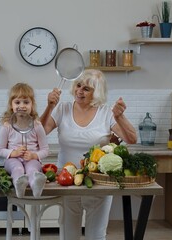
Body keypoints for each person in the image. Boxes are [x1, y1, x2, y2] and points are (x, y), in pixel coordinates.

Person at [40, 69, 137, 240]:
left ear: (96, 92)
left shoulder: (106, 113)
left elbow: (131, 139)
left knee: (96, 236)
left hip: (97, 182)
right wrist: (49, 106)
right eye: (78, 85)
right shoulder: (62, 109)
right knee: (68, 235)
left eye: (86, 88)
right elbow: (38, 133)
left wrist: (120, 116)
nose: (79, 91)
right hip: (67, 181)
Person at [0, 83, 49, 198]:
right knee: (18, 168)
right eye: (17, 102)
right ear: (11, 105)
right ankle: (19, 185)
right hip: (12, 160)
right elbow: (0, 149)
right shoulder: (7, 126)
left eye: (26, 102)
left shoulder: (37, 125)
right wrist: (13, 153)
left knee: (32, 169)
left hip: (31, 160)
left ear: (32, 105)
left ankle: (36, 186)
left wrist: (34, 155)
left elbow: (45, 150)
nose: (22, 106)